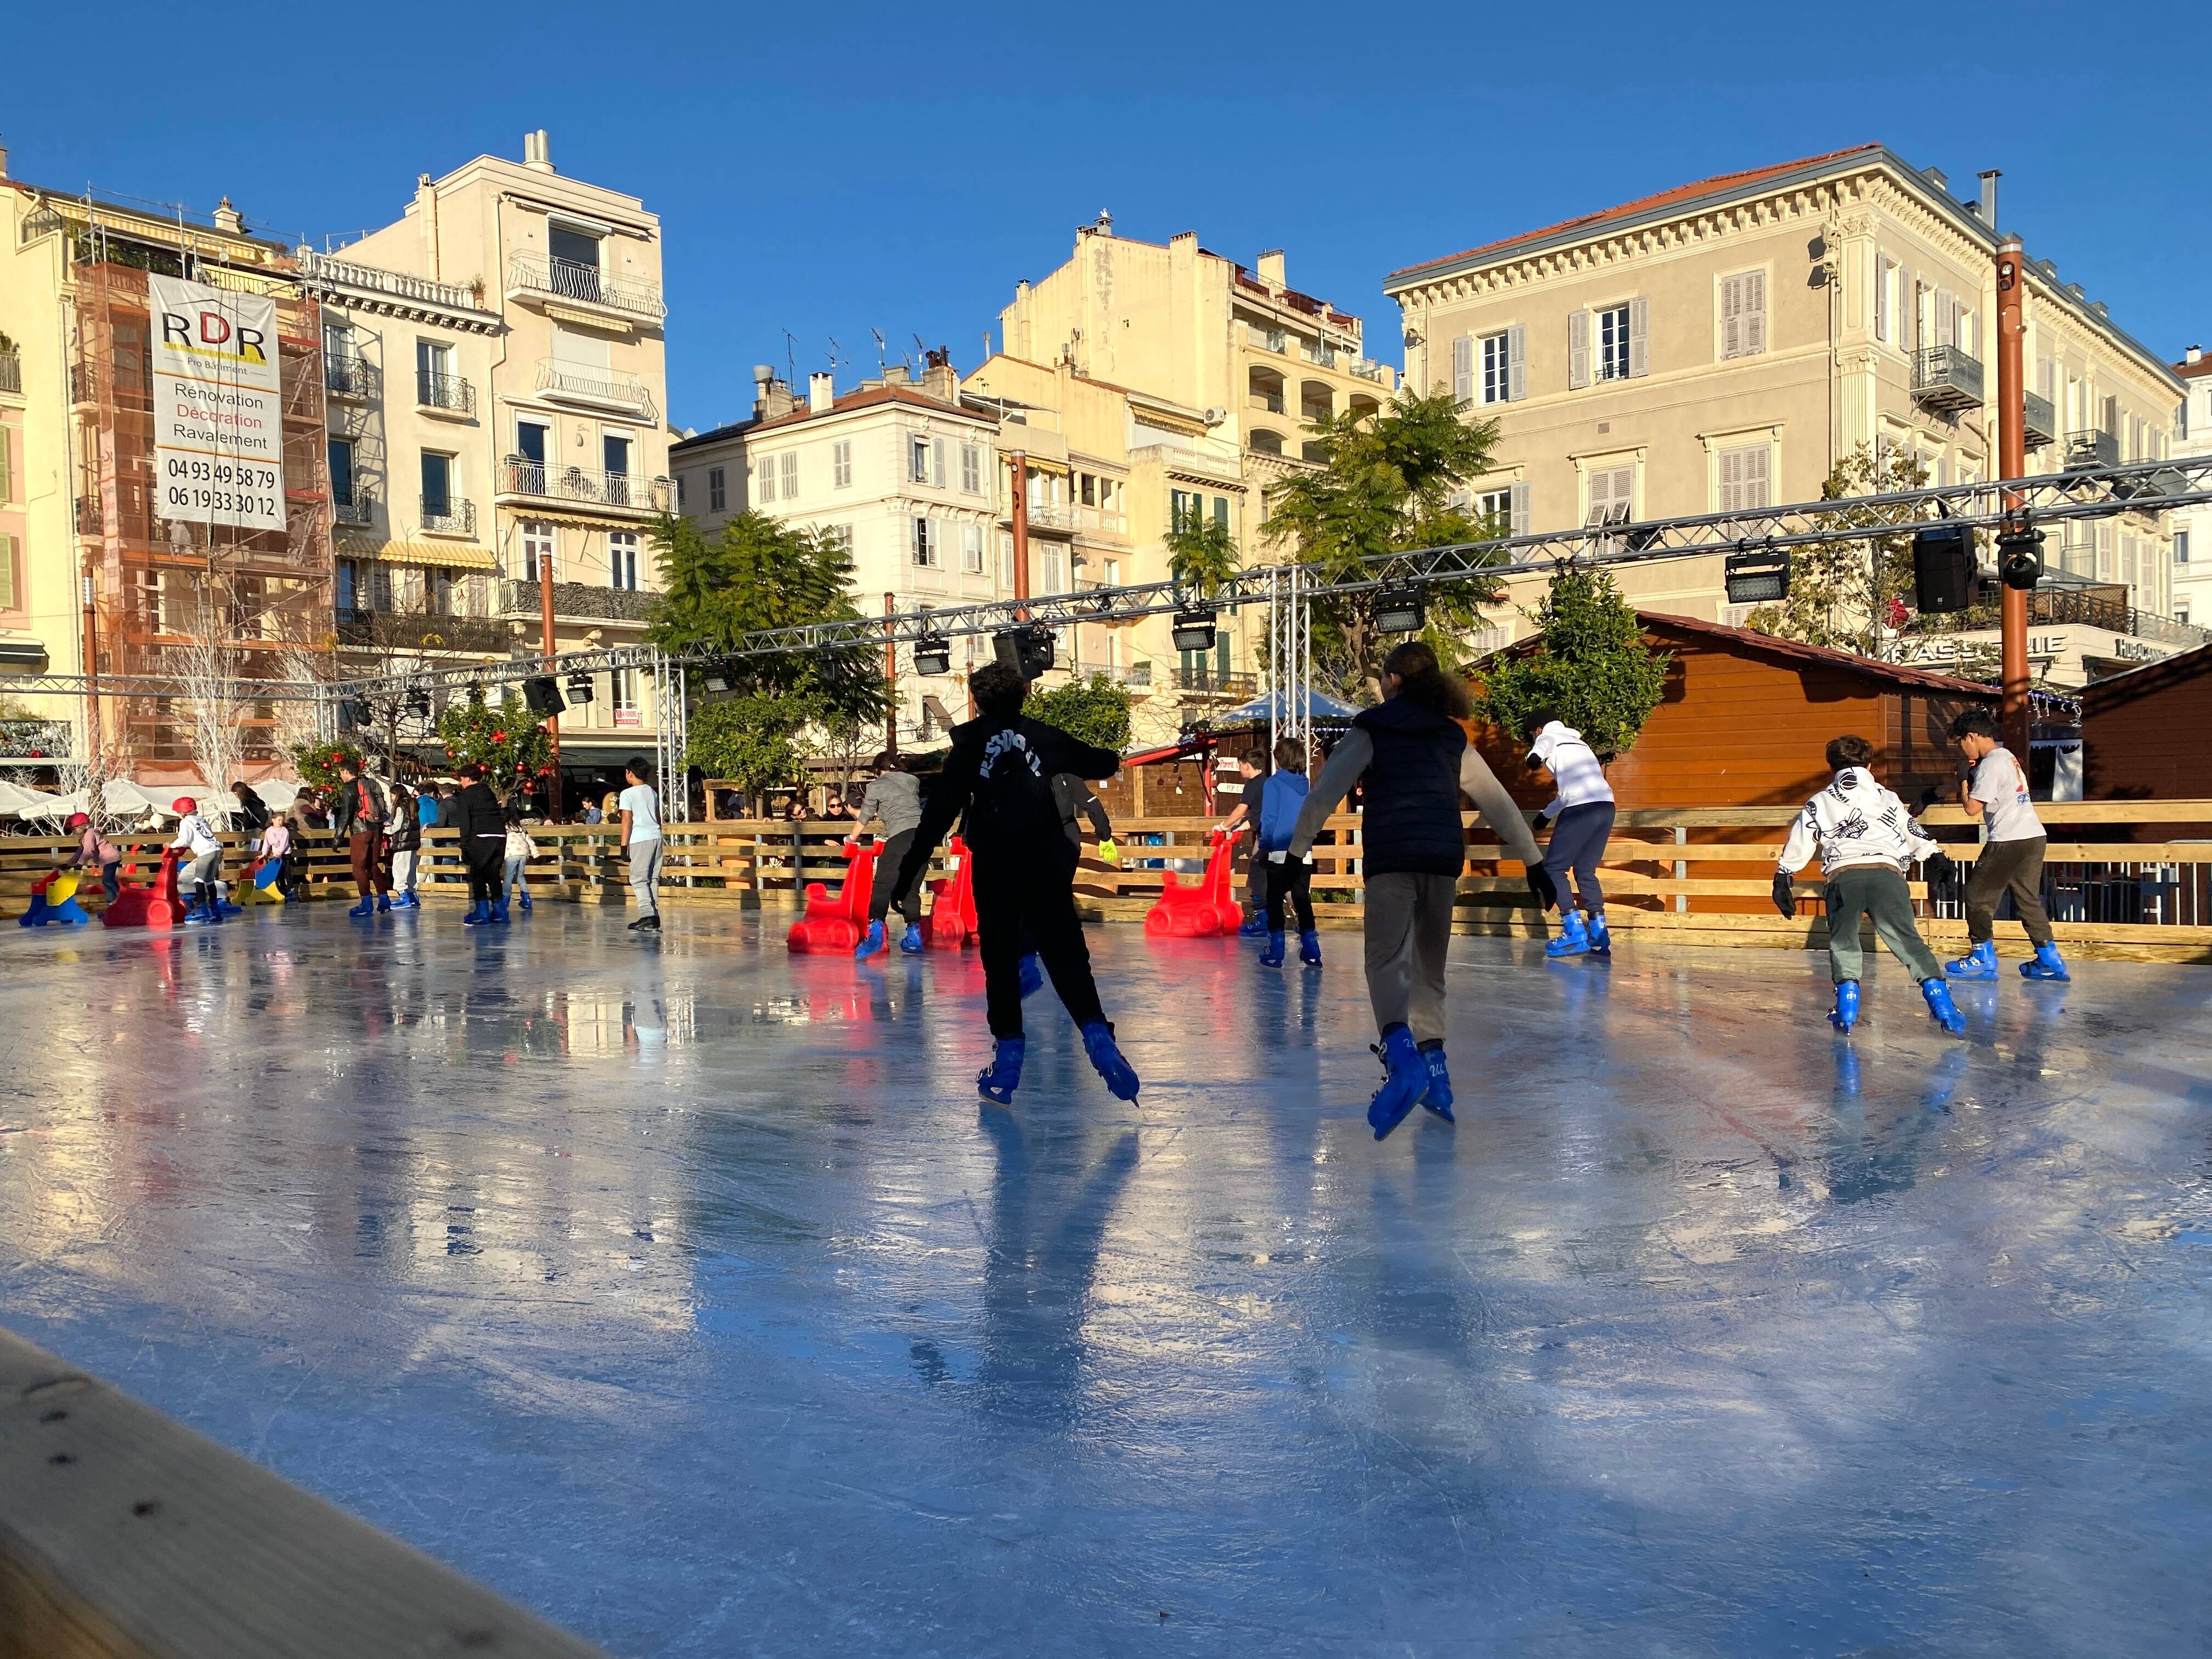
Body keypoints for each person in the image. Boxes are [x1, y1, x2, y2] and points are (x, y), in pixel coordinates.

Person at [1285, 641, 1554, 1141]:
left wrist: (1295, 855)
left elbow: (1324, 793)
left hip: (1393, 858)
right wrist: (1536, 863)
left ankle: (1403, 1060)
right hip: (1441, 860)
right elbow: (1497, 802)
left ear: (1392, 681)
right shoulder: (1451, 738)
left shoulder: (1374, 727)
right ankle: (1438, 1080)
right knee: (1430, 970)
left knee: (1386, 962)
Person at [886, 661, 1139, 1105]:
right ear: (1023, 695)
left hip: (995, 865)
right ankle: (1099, 1039)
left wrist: (907, 875)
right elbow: (1106, 761)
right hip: (1045, 862)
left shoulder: (967, 747)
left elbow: (937, 816)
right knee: (1066, 956)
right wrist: (1073, 753)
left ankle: (1007, 1064)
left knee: (1000, 962)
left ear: (979, 701)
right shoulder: (1046, 737)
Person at [1773, 735, 1966, 1036]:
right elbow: (1910, 829)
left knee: (1844, 940)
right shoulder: (1887, 798)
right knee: (1908, 940)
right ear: (1870, 764)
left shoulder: (1819, 802)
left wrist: (1784, 876)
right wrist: (1935, 857)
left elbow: (1802, 840)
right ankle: (1943, 1004)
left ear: (1831, 767)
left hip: (1844, 876)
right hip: (1887, 875)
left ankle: (1847, 1007)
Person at [1944, 708, 2067, 983]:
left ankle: (1982, 956)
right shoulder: (2007, 757)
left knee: (1978, 896)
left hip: (2007, 839)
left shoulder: (1990, 765)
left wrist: (1964, 779)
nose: (1962, 749)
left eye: (1960, 742)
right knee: (2027, 898)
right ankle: (2050, 958)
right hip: (2033, 836)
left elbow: (1972, 808)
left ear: (1972, 737)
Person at [1523, 709, 1617, 960]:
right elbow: (1568, 792)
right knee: (1586, 871)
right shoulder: (1580, 743)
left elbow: (1539, 751)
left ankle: (1574, 931)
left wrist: (1533, 759)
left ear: (1538, 729)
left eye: (1532, 734)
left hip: (1581, 808)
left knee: (1554, 868)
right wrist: (1546, 815)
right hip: (1606, 806)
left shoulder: (1549, 736)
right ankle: (1599, 934)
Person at [1253, 737, 1318, 968]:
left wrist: (1265, 845)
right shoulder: (1306, 784)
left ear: (1280, 758)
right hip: (1303, 850)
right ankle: (1312, 950)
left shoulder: (1273, 784)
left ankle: (1277, 950)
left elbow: (1269, 818)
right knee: (1302, 899)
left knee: (1274, 899)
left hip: (1280, 850)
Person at [855, 751, 926, 957]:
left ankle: (875, 934)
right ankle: (914, 936)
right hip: (924, 837)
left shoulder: (876, 786)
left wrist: (851, 840)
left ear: (878, 770)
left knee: (883, 883)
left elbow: (865, 817)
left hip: (901, 836)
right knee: (910, 887)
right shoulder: (913, 781)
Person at [1216, 748, 1271, 936]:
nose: (1239, 770)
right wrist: (1243, 826)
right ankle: (1305, 922)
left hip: (1266, 836)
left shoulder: (1253, 785)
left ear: (1248, 766)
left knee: (1256, 873)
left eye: (1240, 766)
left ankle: (1263, 919)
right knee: (1283, 877)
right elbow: (1260, 813)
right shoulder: (1268, 783)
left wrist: (1224, 826)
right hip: (1274, 833)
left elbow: (1241, 810)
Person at [329, 759, 392, 918]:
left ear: (345, 771)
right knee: (373, 865)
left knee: (358, 867)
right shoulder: (370, 783)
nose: (340, 775)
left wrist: (338, 837)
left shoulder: (349, 788)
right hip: (376, 829)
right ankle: (384, 899)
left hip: (360, 830)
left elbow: (346, 815)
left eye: (340, 772)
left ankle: (366, 903)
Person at [450, 764, 509, 925]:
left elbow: (465, 822)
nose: (460, 782)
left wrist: (465, 845)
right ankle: (500, 911)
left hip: (481, 835)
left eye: (461, 779)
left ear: (468, 778)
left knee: (478, 874)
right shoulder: (489, 792)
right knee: (493, 873)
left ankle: (481, 911)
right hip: (500, 834)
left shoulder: (466, 795)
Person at [618, 757, 663, 933]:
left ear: (630, 773)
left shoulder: (627, 794)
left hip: (640, 838)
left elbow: (626, 821)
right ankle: (654, 914)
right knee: (652, 878)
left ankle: (647, 915)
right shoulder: (652, 792)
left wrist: (624, 846)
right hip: (656, 837)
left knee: (638, 878)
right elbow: (658, 818)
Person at [169, 797, 226, 924]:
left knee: (199, 881)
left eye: (178, 813)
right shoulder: (201, 820)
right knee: (210, 881)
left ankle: (203, 910)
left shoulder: (185, 822)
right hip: (217, 850)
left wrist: (171, 846)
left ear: (183, 813)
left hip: (205, 852)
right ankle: (215, 911)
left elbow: (185, 839)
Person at [64, 811, 123, 904]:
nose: (73, 831)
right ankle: (116, 900)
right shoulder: (85, 837)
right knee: (108, 880)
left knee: (107, 881)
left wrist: (79, 864)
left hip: (110, 858)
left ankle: (118, 899)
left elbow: (88, 851)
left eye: (74, 828)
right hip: (109, 859)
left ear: (82, 826)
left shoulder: (89, 834)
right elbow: (79, 853)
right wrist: (69, 864)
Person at [384, 786, 421, 909]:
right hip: (413, 844)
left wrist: (386, 829)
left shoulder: (400, 807)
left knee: (399, 870)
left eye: (393, 795)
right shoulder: (412, 806)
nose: (392, 798)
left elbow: (397, 827)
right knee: (410, 871)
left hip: (402, 843)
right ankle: (412, 896)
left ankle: (403, 897)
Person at [503, 808, 539, 913]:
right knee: (520, 877)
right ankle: (526, 899)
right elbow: (529, 841)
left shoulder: (504, 828)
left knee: (508, 878)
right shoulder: (521, 827)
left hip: (511, 854)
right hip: (524, 854)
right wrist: (535, 853)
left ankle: (505, 900)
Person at [258, 812, 297, 904]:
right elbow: (267, 843)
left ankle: (291, 891)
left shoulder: (284, 831)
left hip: (285, 854)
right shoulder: (269, 831)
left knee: (287, 873)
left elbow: (284, 843)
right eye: (279, 820)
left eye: (282, 821)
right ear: (273, 821)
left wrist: (279, 853)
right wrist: (264, 854)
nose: (281, 822)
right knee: (279, 874)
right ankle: (282, 891)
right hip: (276, 855)